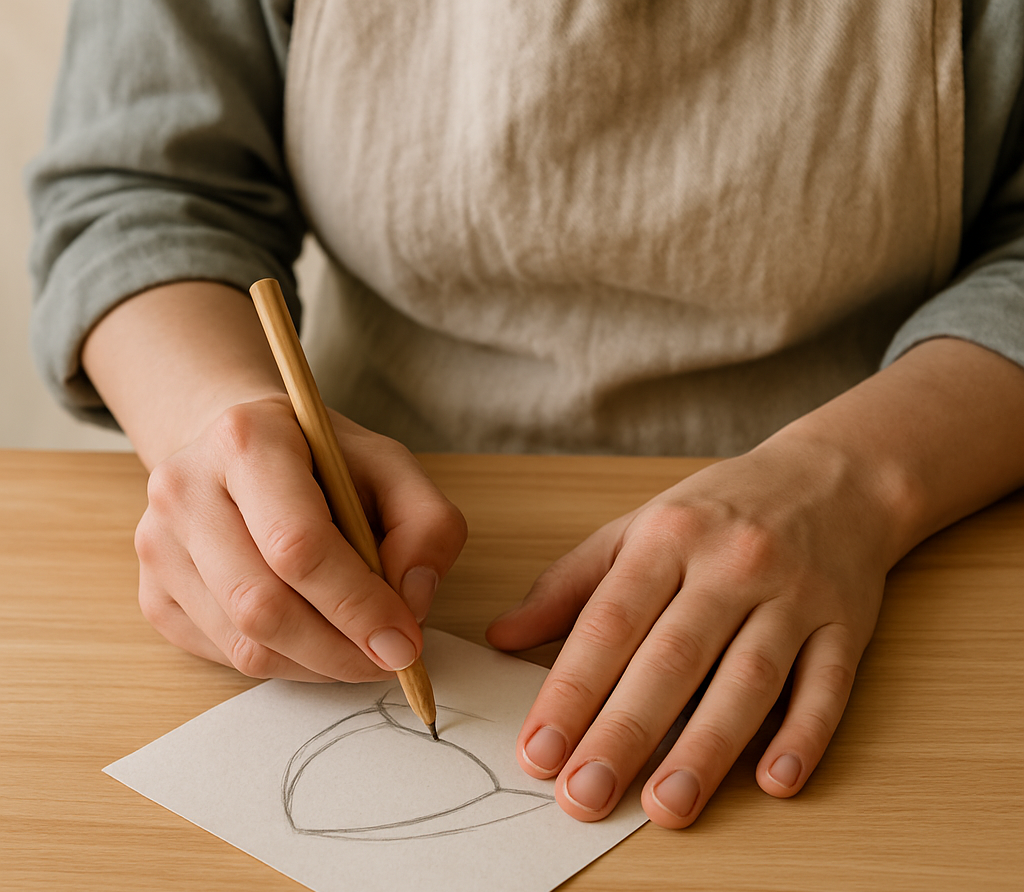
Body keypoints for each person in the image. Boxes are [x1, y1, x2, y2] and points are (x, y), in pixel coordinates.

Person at [29, 0, 1024, 830]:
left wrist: (856, 480)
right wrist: (218, 416)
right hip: (385, 541)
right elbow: (143, 190)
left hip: (906, 522)